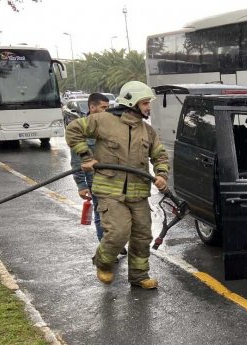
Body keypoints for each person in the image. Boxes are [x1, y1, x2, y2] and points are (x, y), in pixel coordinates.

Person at [66, 81, 169, 289]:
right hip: (110, 191)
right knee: (119, 232)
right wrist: (86, 156)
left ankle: (139, 276)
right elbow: (73, 130)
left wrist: (161, 173)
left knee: (142, 235)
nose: (149, 107)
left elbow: (160, 155)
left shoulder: (147, 131)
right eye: (146, 102)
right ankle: (102, 262)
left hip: (138, 193)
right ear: (132, 101)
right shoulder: (103, 120)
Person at [70, 93, 109, 242]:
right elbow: (76, 161)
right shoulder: (81, 128)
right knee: (101, 214)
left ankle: (114, 242)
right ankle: (106, 248)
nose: (106, 111)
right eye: (103, 107)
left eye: (107, 108)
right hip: (95, 181)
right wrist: (81, 185)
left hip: (113, 180)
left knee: (116, 214)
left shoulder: (110, 127)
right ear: (92, 107)